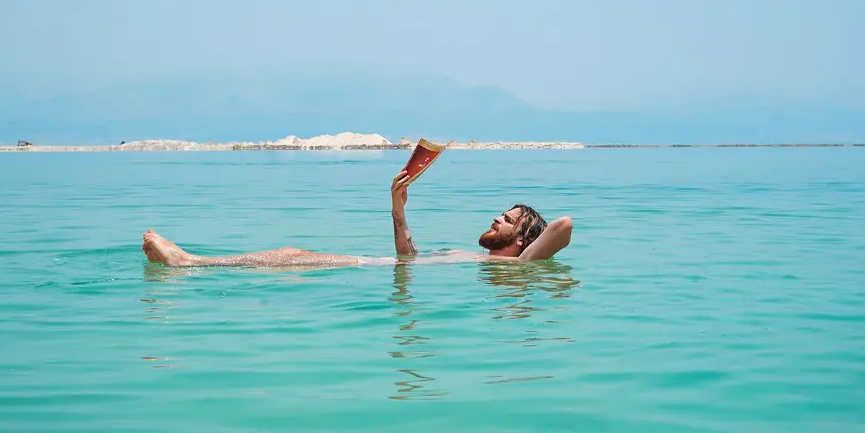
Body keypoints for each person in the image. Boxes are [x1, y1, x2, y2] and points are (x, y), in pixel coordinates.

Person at [141, 170, 573, 268]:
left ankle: (190, 263)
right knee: (292, 256)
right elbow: (409, 258)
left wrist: (526, 253)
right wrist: (398, 206)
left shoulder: (517, 267)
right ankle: (192, 262)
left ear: (523, 237)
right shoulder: (491, 264)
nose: (496, 218)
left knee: (291, 257)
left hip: (370, 270)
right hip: (386, 267)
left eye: (508, 219)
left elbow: (563, 225)